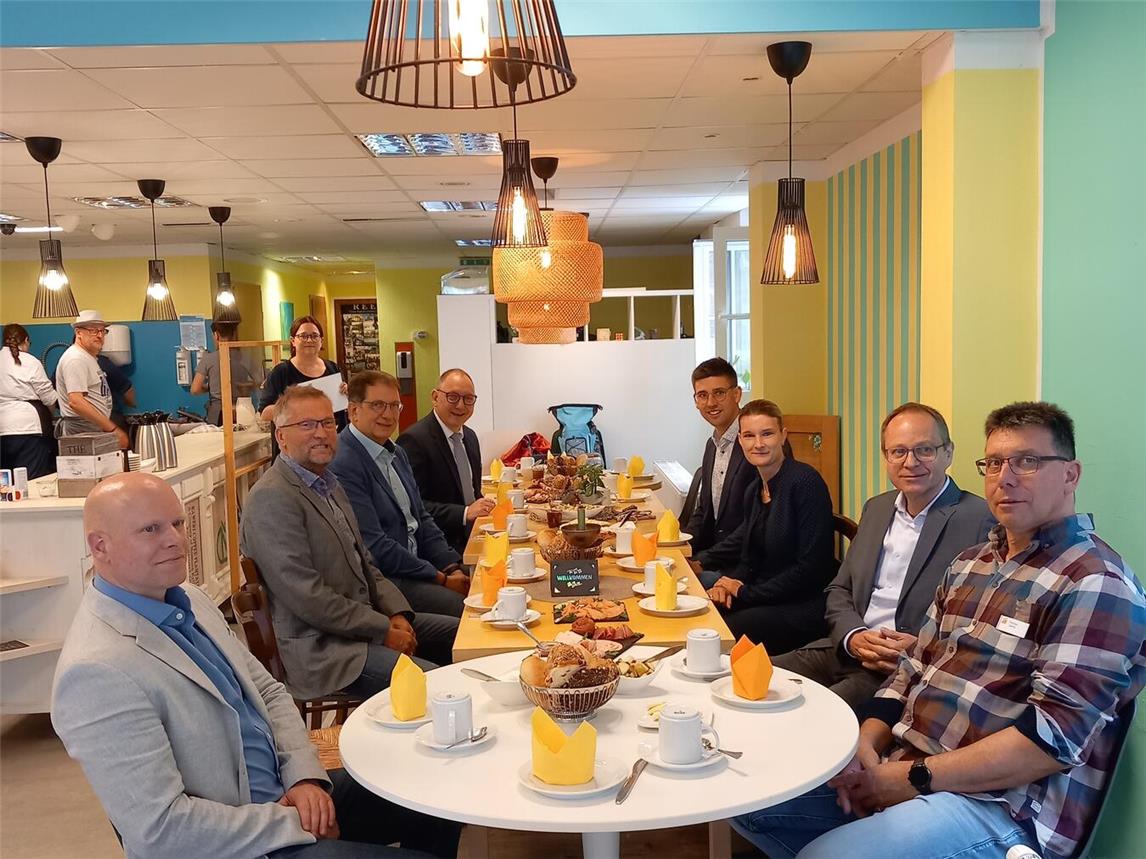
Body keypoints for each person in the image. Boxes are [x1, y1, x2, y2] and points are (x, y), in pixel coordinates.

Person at [732, 401, 1146, 859]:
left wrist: (912, 778)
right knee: (743, 797)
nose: (1005, 478)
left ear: (1071, 474)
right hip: (907, 761)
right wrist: (866, 746)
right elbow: (911, 669)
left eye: (1027, 462)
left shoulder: (1096, 582)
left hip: (1001, 806)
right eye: (993, 463)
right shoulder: (972, 563)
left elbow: (1051, 740)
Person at [51, 472, 458, 859]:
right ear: (99, 546)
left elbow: (268, 691)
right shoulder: (96, 671)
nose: (176, 540)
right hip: (240, 842)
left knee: (436, 795)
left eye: (177, 523)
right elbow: (160, 830)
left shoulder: (186, 597)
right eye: (150, 530)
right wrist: (290, 821)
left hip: (286, 793)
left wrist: (304, 777)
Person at [240, 385, 458, 700]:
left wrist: (397, 613)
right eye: (307, 425)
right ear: (281, 437)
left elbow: (366, 564)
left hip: (363, 626)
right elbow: (308, 597)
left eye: (328, 423)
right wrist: (382, 629)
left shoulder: (329, 484)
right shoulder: (272, 499)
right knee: (443, 688)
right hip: (325, 651)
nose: (321, 433)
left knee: (466, 637)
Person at [773, 403, 993, 710]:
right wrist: (853, 635)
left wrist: (922, 649)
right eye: (898, 452)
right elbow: (839, 590)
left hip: (902, 669)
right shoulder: (877, 508)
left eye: (924, 450)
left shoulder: (981, 520)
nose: (910, 462)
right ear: (886, 457)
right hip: (847, 648)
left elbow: (985, 624)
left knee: (812, 715)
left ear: (948, 453)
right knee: (748, 677)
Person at [330, 371, 468, 618]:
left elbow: (422, 519)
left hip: (420, 567)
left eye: (394, 406)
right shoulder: (344, 463)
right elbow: (375, 546)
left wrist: (451, 565)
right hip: (389, 582)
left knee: (491, 587)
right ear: (353, 411)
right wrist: (440, 578)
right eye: (377, 405)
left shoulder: (396, 453)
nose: (388, 414)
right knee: (471, 613)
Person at [703, 400, 836, 654]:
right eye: (750, 435)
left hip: (803, 604)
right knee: (703, 614)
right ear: (740, 441)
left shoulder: (805, 482)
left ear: (783, 436)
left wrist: (745, 593)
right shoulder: (755, 488)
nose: (759, 444)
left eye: (767, 434)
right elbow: (748, 558)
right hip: (763, 596)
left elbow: (812, 569)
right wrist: (726, 585)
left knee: (717, 635)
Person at [397, 368, 494, 556]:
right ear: (435, 397)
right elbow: (414, 506)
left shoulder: (470, 437)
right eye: (452, 397)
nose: (460, 406)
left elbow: (472, 493)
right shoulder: (414, 440)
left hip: (475, 535)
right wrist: (465, 513)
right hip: (443, 546)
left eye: (468, 399)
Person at [685, 358, 754, 573]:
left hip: (745, 565)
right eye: (702, 395)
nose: (711, 403)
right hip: (716, 557)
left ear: (737, 394)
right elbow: (705, 510)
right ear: (696, 401)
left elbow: (756, 523)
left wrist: (703, 561)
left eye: (719, 393)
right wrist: (680, 543)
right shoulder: (712, 445)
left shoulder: (755, 443)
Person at [258, 316, 346, 456]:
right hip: (295, 452)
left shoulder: (332, 368)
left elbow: (341, 413)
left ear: (321, 340)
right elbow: (265, 413)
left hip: (330, 449)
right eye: (303, 336)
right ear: (293, 341)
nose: (309, 340)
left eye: (314, 336)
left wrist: (346, 394)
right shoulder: (281, 372)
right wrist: (297, 408)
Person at [54, 309, 128, 448]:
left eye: (102, 331)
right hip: (82, 429)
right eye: (93, 331)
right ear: (78, 332)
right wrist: (112, 429)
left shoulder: (88, 357)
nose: (100, 335)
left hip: (94, 426)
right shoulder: (76, 359)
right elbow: (76, 402)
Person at [0, 323, 59, 478]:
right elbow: (48, 396)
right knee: (30, 482)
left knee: (4, 483)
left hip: (2, 428)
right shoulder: (30, 361)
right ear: (26, 340)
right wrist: (51, 413)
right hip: (28, 429)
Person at [191, 322, 259, 426]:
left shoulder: (208, 359)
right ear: (233, 335)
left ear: (216, 335)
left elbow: (195, 389)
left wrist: (210, 387)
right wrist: (244, 386)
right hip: (242, 409)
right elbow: (259, 381)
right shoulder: (245, 357)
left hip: (218, 412)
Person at [96, 354, 135, 433]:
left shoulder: (102, 363)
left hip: (92, 419)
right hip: (110, 416)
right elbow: (127, 390)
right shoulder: (103, 363)